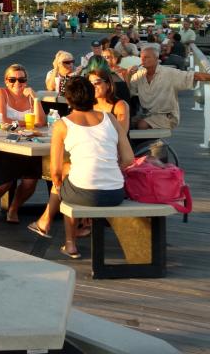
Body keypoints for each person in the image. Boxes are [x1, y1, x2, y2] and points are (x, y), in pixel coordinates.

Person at [29, 77, 135, 258]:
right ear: (92, 95)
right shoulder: (109, 118)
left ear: (68, 100)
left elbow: (55, 172)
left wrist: (59, 183)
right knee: (71, 171)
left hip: (84, 193)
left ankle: (70, 243)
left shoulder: (62, 125)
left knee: (65, 179)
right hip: (115, 192)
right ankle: (47, 222)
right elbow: (128, 159)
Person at [0, 64, 46, 224]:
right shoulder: (1, 93)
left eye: (22, 80)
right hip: (2, 144)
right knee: (6, 181)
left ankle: (14, 208)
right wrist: (28, 124)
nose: (17, 83)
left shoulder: (29, 96)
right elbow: (3, 119)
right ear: (6, 81)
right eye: (12, 79)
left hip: (26, 147)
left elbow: (41, 121)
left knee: (30, 181)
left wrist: (36, 98)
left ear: (26, 81)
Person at [128, 46, 210, 130]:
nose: (143, 60)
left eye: (147, 57)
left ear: (156, 59)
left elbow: (194, 76)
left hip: (167, 116)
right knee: (124, 123)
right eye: (141, 57)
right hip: (146, 114)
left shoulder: (168, 73)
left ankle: (149, 147)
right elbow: (129, 90)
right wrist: (128, 75)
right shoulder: (139, 75)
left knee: (141, 125)